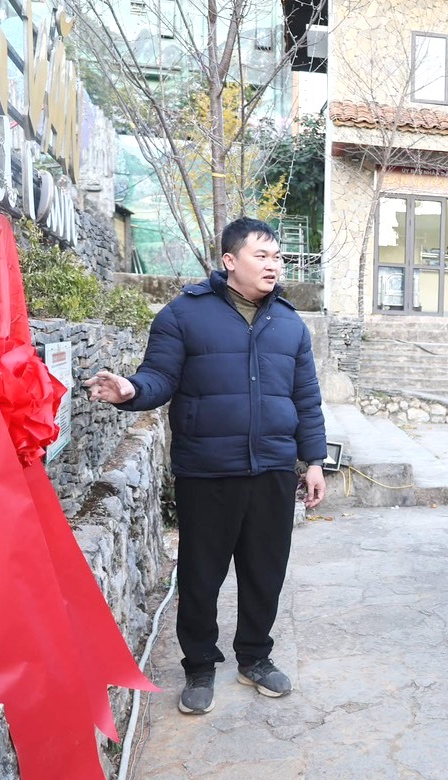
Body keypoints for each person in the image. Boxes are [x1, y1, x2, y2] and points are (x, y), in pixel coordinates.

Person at [85, 218, 327, 716]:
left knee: (265, 571)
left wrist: (314, 460)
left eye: (278, 257)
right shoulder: (183, 315)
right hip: (208, 470)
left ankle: (255, 657)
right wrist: (130, 390)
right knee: (201, 574)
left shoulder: (290, 324)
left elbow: (306, 398)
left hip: (273, 469)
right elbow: (158, 377)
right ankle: (199, 665)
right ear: (229, 261)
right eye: (262, 256)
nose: (274, 265)